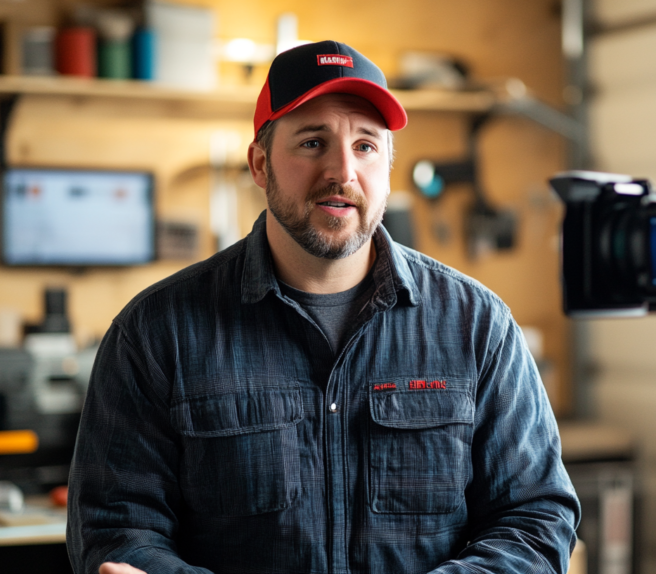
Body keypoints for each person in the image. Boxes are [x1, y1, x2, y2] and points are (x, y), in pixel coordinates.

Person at [67, 40, 580, 574]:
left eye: (365, 146)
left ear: (387, 165)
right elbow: (114, 531)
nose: (342, 170)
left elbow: (535, 519)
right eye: (313, 143)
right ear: (261, 164)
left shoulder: (477, 326)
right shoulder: (155, 332)